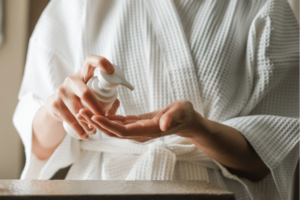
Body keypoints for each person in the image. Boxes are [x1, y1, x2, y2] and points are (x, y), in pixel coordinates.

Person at [13, 0, 299, 200]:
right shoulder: (76, 4)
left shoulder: (265, 5)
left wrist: (197, 128)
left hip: (216, 193)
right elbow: (37, 147)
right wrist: (56, 111)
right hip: (100, 186)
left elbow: (271, 153)